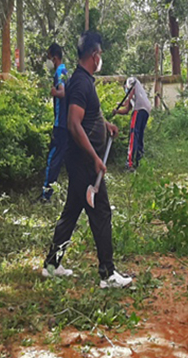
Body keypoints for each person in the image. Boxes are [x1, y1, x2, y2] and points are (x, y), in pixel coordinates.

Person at [42, 31, 133, 289]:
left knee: (72, 211)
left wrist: (105, 124)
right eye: (100, 54)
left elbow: (85, 116)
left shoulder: (80, 80)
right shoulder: (82, 83)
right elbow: (73, 124)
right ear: (94, 55)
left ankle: (52, 265)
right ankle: (108, 274)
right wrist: (95, 157)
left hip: (79, 159)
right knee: (101, 212)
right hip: (84, 160)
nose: (100, 58)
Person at [41, 43, 68, 202]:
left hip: (60, 124)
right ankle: (51, 191)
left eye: (49, 57)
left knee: (53, 158)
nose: (48, 61)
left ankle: (46, 193)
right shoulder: (65, 70)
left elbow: (62, 92)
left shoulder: (59, 71)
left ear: (54, 57)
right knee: (62, 158)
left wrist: (54, 92)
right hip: (66, 123)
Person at [112, 77, 151, 170]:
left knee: (133, 135)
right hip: (146, 109)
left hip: (139, 108)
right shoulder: (135, 97)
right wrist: (117, 111)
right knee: (139, 135)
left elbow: (132, 87)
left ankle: (129, 163)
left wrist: (126, 100)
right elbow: (126, 110)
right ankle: (139, 161)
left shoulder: (130, 81)